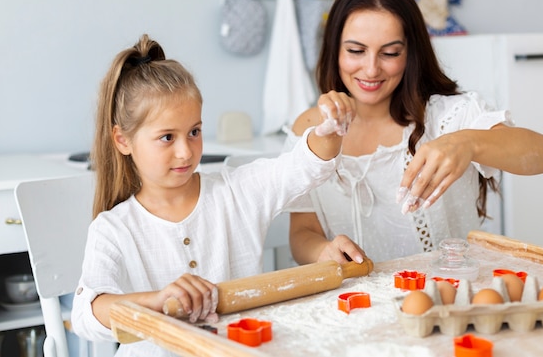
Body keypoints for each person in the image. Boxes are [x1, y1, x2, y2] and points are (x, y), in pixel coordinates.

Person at [70, 34, 356, 356]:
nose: (185, 152)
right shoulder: (114, 228)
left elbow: (302, 168)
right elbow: (85, 315)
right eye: (167, 137)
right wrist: (156, 300)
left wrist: (329, 130)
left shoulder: (235, 192)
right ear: (123, 140)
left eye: (194, 132)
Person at [285, 0, 543, 265]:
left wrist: (468, 142)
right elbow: (303, 233)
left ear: (410, 53)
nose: (371, 69)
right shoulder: (309, 128)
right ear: (334, 49)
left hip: (445, 297)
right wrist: (323, 252)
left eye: (390, 53)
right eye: (356, 51)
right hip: (351, 305)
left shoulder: (450, 116)